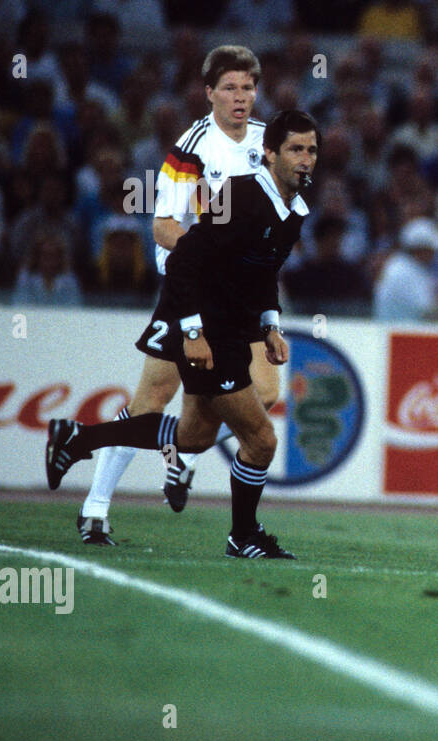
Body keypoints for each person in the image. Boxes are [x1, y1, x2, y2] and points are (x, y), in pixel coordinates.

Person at [46, 110, 320, 560]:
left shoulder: (295, 209)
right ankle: (243, 536)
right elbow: (184, 261)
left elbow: (265, 272)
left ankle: (76, 439)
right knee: (262, 439)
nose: (305, 159)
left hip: (234, 326)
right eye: (295, 149)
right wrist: (193, 332)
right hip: (207, 326)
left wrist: (270, 324)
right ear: (269, 153)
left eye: (311, 150)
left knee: (191, 437)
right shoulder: (242, 198)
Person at [75, 45, 278, 546]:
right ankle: (95, 507)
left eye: (248, 87)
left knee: (266, 392)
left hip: (242, 290)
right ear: (209, 93)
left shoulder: (266, 142)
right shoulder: (192, 147)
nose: (240, 97)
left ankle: (182, 455)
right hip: (193, 288)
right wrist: (213, 254)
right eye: (229, 87)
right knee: (151, 400)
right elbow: (163, 226)